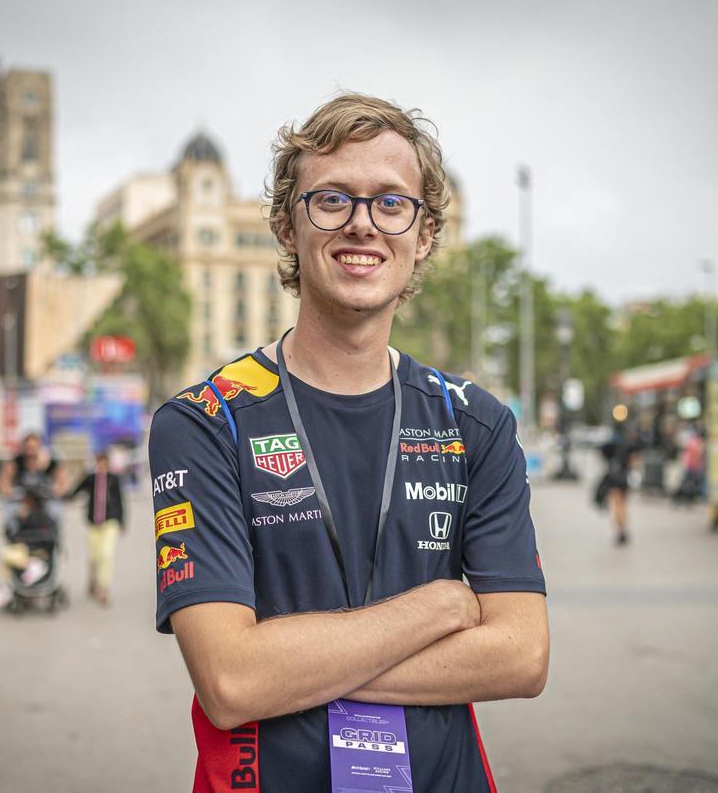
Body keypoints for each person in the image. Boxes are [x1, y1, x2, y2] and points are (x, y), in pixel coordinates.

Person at [148, 94, 549, 792]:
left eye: (392, 204)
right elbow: (232, 681)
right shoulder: (205, 422)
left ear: (423, 236)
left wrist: (298, 666)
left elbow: (521, 657)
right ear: (285, 225)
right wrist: (439, 607)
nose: (362, 224)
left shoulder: (476, 422)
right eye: (331, 200)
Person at [69, 451, 126, 604]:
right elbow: (75, 491)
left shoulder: (114, 479)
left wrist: (122, 521)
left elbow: (120, 500)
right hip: (93, 523)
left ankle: (104, 588)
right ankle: (93, 581)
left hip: (110, 522)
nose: (101, 466)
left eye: (104, 463)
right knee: (94, 556)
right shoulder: (91, 478)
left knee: (106, 554)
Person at [600, 420, 641, 545]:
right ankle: (622, 529)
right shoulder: (629, 445)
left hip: (613, 478)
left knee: (616, 504)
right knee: (623, 504)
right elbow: (634, 461)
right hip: (624, 478)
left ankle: (619, 530)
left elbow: (603, 455)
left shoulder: (610, 443)